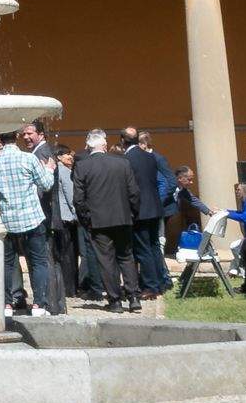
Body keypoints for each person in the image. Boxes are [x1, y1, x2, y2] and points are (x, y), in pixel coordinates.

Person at [74, 129, 139, 312]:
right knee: (126, 257)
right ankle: (134, 296)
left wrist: (86, 220)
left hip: (98, 221)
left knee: (106, 260)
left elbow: (78, 199)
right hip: (122, 218)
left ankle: (115, 300)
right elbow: (133, 192)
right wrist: (132, 214)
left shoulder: (82, 166)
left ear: (89, 147)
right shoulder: (122, 163)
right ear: (104, 145)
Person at [0, 129, 57, 316]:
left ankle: (7, 304)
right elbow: (46, 184)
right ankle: (39, 304)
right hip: (31, 218)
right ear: (16, 137)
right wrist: (49, 169)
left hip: (6, 219)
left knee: (7, 264)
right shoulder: (28, 159)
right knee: (39, 262)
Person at [120, 128, 171, 299]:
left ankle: (150, 286)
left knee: (143, 250)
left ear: (122, 141)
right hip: (155, 208)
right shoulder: (150, 157)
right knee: (154, 246)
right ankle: (160, 282)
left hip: (140, 210)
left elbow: (131, 188)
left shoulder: (126, 160)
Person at [50, 144, 81, 300]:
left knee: (62, 254)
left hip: (58, 218)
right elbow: (71, 196)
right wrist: (78, 215)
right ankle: (71, 288)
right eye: (68, 154)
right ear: (59, 156)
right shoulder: (65, 171)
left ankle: (65, 287)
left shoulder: (56, 170)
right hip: (67, 218)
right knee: (69, 255)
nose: (71, 156)